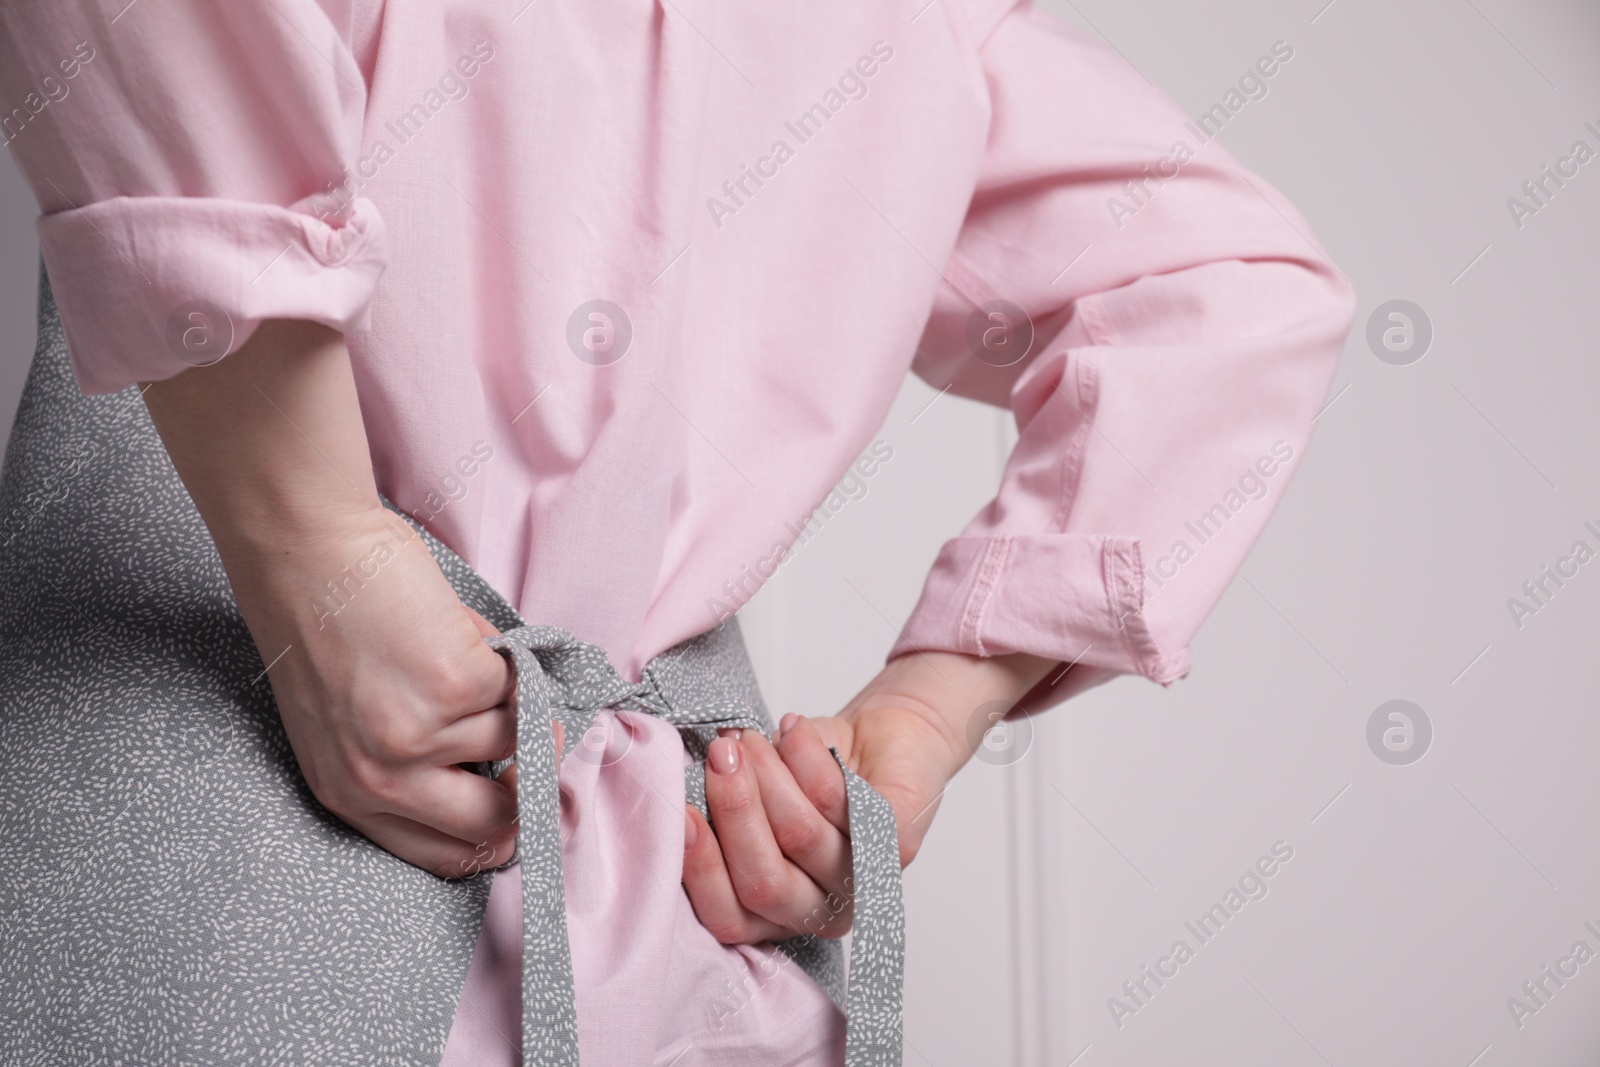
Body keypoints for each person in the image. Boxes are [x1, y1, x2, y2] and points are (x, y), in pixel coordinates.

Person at [0, 1, 1355, 1063]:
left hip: (263, 880)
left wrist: (315, 550)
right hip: (654, 935)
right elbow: (1227, 294)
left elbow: (1229, 291)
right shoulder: (914, 28)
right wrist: (938, 704)